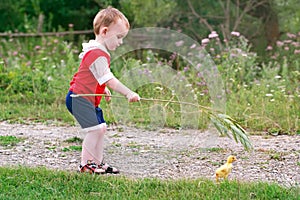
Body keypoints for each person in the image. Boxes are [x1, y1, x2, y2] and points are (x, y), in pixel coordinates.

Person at [65, 6, 140, 174]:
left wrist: (101, 88)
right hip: (79, 98)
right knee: (95, 130)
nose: (120, 42)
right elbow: (108, 78)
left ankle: (97, 163)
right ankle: (86, 164)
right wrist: (128, 92)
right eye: (119, 37)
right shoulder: (97, 53)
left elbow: (94, 76)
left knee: (101, 128)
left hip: (87, 98)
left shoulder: (98, 51)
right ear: (105, 31)